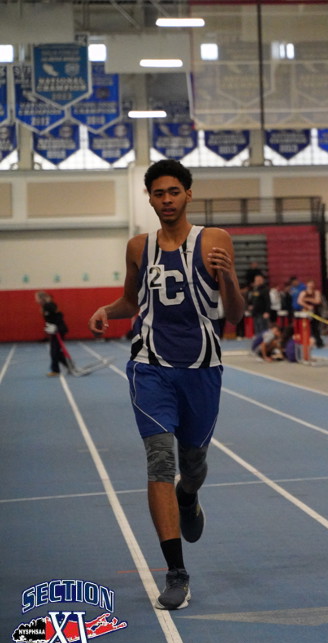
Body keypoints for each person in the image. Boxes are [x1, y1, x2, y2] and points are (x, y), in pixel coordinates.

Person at [87, 159, 244, 611]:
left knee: (192, 465)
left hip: (201, 369)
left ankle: (188, 496)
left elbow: (235, 315)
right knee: (159, 460)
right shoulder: (138, 247)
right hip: (150, 366)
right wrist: (106, 310)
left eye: (174, 191)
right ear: (150, 198)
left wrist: (229, 277)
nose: (167, 199)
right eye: (159, 193)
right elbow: (131, 301)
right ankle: (176, 573)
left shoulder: (214, 240)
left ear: (188, 194)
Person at [36, 291, 70, 377]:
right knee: (55, 351)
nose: (36, 300)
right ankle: (68, 366)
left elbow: (59, 315)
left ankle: (56, 370)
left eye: (37, 298)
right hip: (55, 330)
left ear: (41, 298)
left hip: (59, 330)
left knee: (54, 351)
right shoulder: (46, 306)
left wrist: (55, 326)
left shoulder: (49, 305)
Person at [297, 279, 325, 348]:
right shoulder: (303, 292)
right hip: (306, 313)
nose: (311, 285)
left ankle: (319, 342)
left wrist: (307, 299)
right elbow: (299, 301)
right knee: (306, 328)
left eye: (312, 284)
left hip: (315, 312)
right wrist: (307, 306)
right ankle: (306, 341)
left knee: (315, 328)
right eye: (310, 283)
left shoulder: (316, 292)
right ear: (307, 284)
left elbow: (318, 301)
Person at [247, 273, 270, 338]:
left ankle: (264, 341)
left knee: (262, 328)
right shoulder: (255, 289)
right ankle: (258, 340)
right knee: (257, 328)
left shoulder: (265, 289)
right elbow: (252, 299)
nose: (256, 282)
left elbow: (268, 301)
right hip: (255, 313)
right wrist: (250, 305)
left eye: (258, 280)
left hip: (262, 313)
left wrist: (267, 311)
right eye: (255, 280)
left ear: (261, 281)